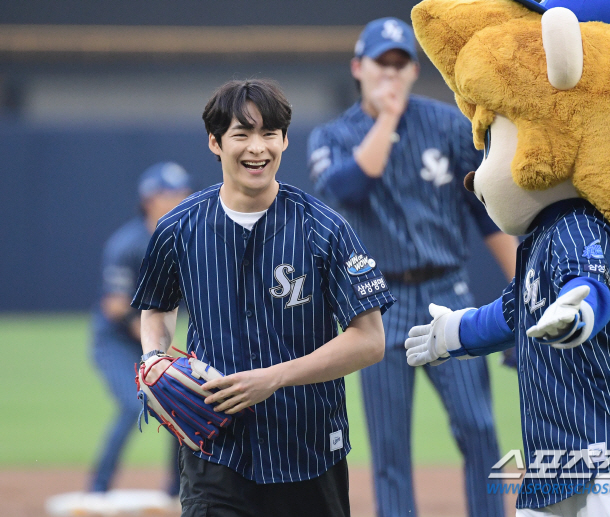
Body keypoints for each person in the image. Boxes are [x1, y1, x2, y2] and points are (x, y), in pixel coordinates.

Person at [131, 79, 395, 517]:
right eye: (242, 134)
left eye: (269, 133)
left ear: (285, 140)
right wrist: (153, 355)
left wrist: (272, 377)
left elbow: (370, 341)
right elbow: (156, 305)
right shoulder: (178, 227)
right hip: (215, 452)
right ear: (215, 142)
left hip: (308, 453)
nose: (258, 148)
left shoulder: (325, 229)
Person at [307, 17, 519, 517]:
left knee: (478, 426)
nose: (391, 72)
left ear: (413, 69)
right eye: (382, 62)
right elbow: (349, 187)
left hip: (449, 291)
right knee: (389, 446)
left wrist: (523, 287)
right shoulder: (333, 136)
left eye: (401, 63)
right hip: (376, 305)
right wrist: (386, 118)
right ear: (359, 67)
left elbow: (485, 213)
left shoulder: (447, 125)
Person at [89, 162, 193, 497]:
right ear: (149, 199)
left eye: (183, 192)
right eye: (171, 193)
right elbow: (115, 306)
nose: (180, 198)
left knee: (179, 405)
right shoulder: (128, 243)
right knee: (135, 406)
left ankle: (176, 492)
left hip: (155, 341)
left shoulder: (187, 239)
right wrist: (153, 341)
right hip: (118, 343)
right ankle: (97, 490)